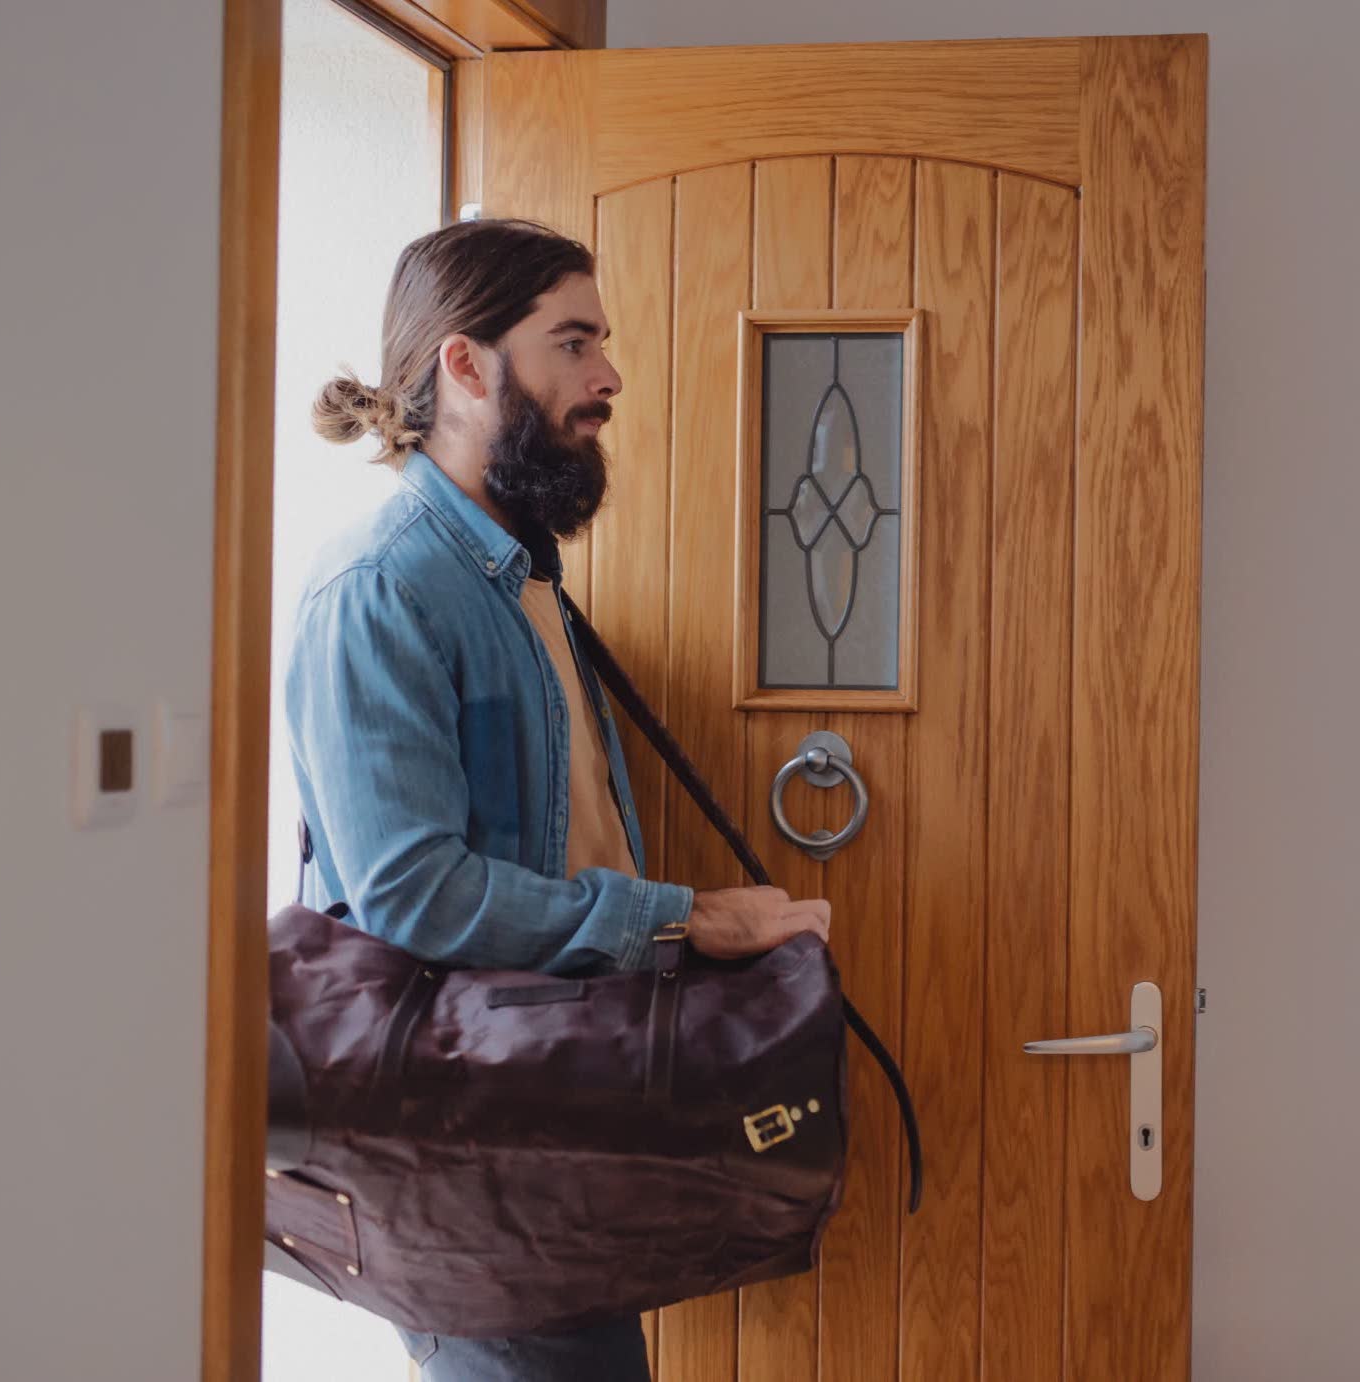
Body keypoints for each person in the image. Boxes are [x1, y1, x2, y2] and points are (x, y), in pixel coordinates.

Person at [286, 217, 832, 1382]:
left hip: (549, 1125)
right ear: (467, 366)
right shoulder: (380, 592)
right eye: (571, 342)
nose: (608, 376)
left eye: (601, 341)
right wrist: (684, 915)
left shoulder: (519, 572)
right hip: (468, 1145)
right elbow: (410, 893)